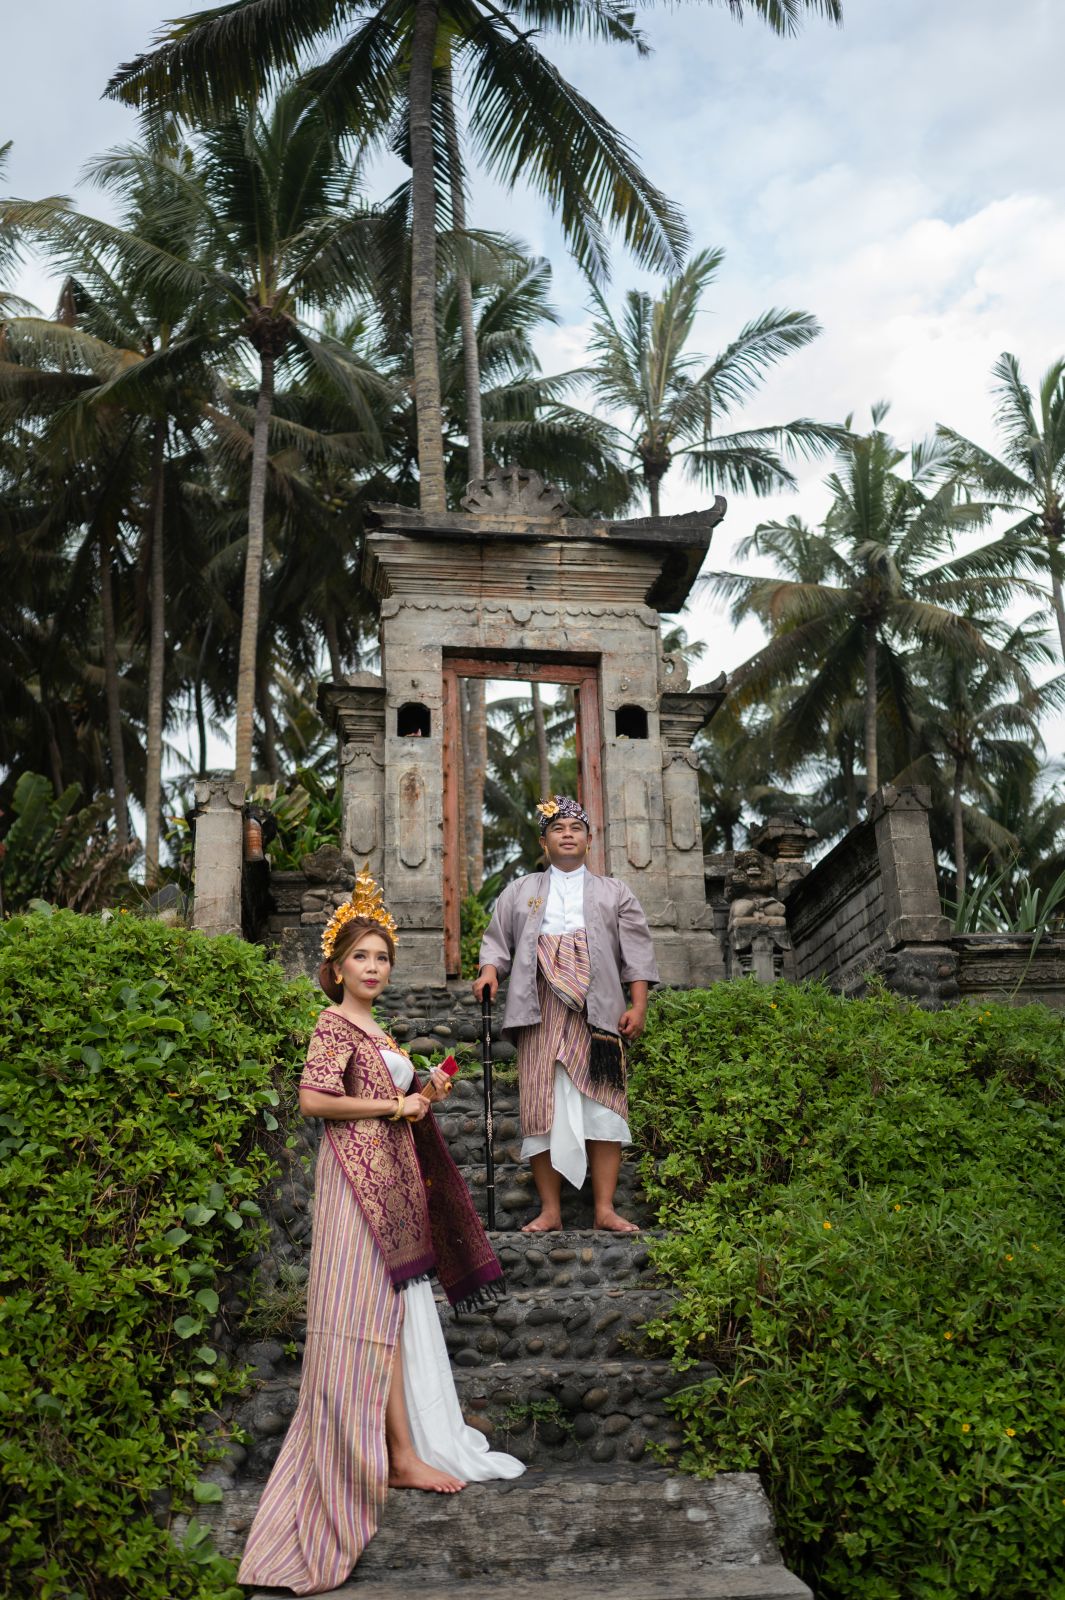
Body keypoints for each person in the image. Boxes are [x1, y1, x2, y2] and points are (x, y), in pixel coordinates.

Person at [239, 866, 523, 1596]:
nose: (373, 967)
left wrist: (422, 1093)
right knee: (361, 1317)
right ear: (336, 969)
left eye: (382, 957)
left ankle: (400, 1453)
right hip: (355, 1186)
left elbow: (383, 1097)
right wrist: (391, 1107)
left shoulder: (377, 1029)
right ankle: (375, 1457)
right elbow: (313, 1099)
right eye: (360, 957)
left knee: (386, 1319)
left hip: (391, 1183)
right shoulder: (333, 1024)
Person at [473, 796, 659, 1234]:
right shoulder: (520, 891)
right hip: (538, 1009)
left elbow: (636, 953)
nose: (568, 834)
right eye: (558, 828)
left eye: (576, 828)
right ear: (544, 842)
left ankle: (605, 1209)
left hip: (599, 1012)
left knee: (604, 1106)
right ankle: (550, 1211)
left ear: (590, 840)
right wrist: (489, 973)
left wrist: (638, 1005)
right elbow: (497, 943)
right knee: (542, 1106)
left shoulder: (615, 892)